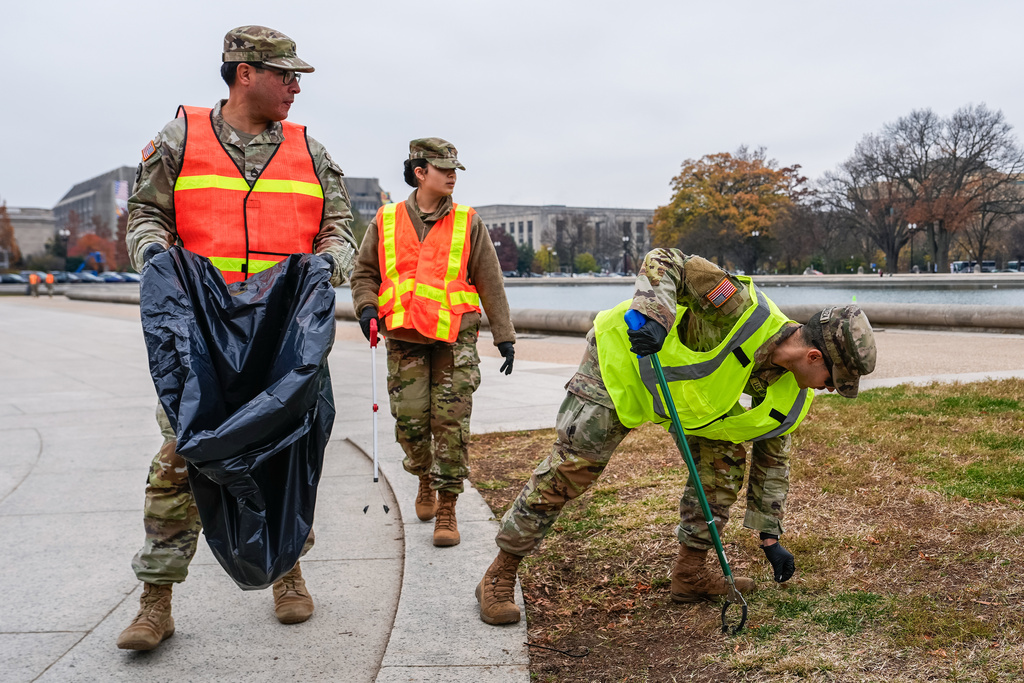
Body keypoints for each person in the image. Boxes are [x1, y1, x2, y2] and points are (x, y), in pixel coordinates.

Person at [476, 248, 877, 625]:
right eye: (833, 379)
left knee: (723, 468)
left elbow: (773, 458)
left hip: (680, 402)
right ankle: (499, 575)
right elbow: (666, 259)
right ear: (813, 356)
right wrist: (655, 317)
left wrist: (770, 537)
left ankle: (690, 574)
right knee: (571, 469)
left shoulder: (793, 392)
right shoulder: (739, 307)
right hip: (621, 366)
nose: (829, 389)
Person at [118, 25, 357, 651]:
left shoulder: (310, 151)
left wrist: (326, 265)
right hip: (203, 337)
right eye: (286, 75)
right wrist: (156, 261)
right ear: (244, 73)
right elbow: (146, 214)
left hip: (286, 338)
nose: (295, 87)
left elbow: (339, 228)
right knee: (182, 457)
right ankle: (155, 601)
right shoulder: (180, 140)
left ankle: (287, 572)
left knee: (288, 455)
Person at [350, 138, 515, 548]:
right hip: (404, 337)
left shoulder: (468, 221)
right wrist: (367, 308)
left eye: (455, 169)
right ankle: (423, 475)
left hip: (454, 339)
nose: (452, 175)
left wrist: (504, 335)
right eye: (444, 168)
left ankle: (447, 505)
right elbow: (365, 272)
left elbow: (490, 280)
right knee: (409, 421)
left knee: (451, 423)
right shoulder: (386, 219)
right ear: (420, 172)